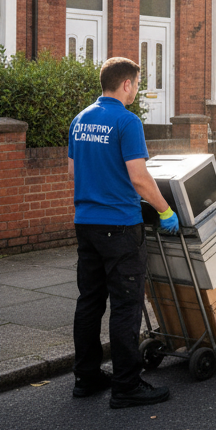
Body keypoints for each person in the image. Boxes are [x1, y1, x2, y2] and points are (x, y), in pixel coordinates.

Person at [67, 57, 178, 408]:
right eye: (136, 84)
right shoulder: (127, 122)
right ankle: (126, 385)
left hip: (86, 223)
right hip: (120, 226)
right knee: (127, 305)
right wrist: (165, 210)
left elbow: (73, 173)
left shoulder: (81, 119)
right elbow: (139, 178)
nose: (135, 91)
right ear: (126, 84)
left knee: (89, 302)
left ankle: (86, 378)